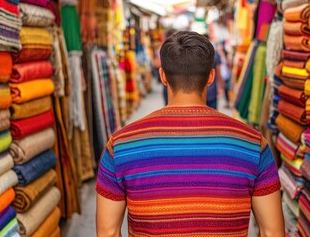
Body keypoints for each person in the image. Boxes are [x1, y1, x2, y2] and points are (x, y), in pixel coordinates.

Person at [96, 31, 284, 237]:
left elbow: (108, 231)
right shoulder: (253, 145)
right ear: (211, 76)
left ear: (163, 76)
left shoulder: (121, 145)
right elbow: (271, 231)